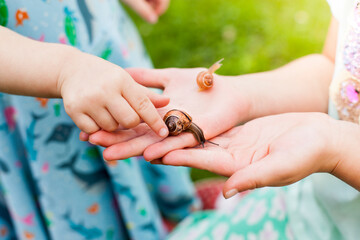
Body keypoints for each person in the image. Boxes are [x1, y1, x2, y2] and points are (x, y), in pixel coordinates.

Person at [89, 0, 360, 239]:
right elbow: (334, 70)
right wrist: (242, 94)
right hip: (315, 207)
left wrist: (336, 147)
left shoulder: (327, 147)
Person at [0, 1, 199, 239]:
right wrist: (65, 71)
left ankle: (167, 220)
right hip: (29, 92)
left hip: (95, 36)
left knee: (136, 132)